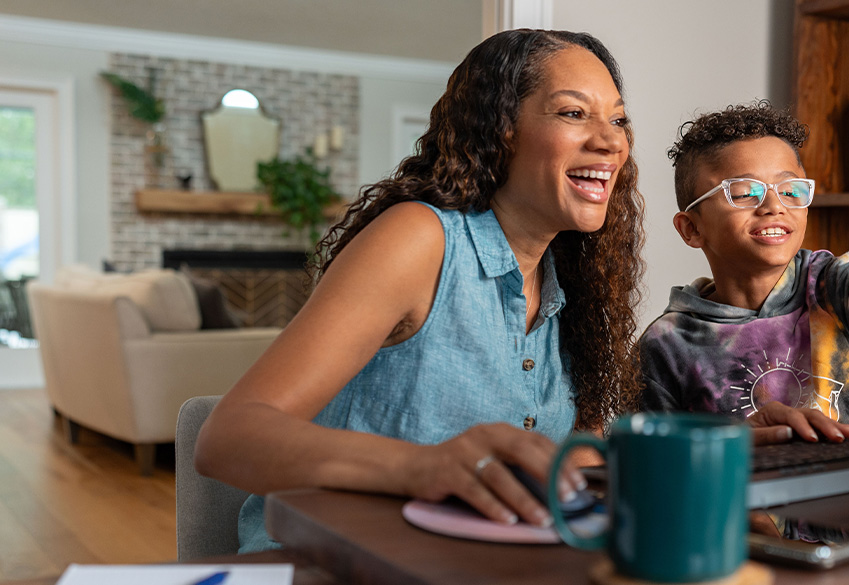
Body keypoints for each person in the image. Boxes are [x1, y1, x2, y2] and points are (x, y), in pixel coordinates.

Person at [194, 29, 646, 553]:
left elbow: (576, 453)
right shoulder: (419, 239)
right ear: (501, 129)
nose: (611, 141)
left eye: (618, 120)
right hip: (330, 561)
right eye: (573, 113)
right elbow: (228, 439)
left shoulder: (574, 285)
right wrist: (424, 467)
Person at [639, 101, 849, 435]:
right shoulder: (667, 344)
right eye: (744, 193)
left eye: (791, 191)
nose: (774, 206)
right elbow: (650, 460)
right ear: (691, 228)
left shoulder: (828, 288)